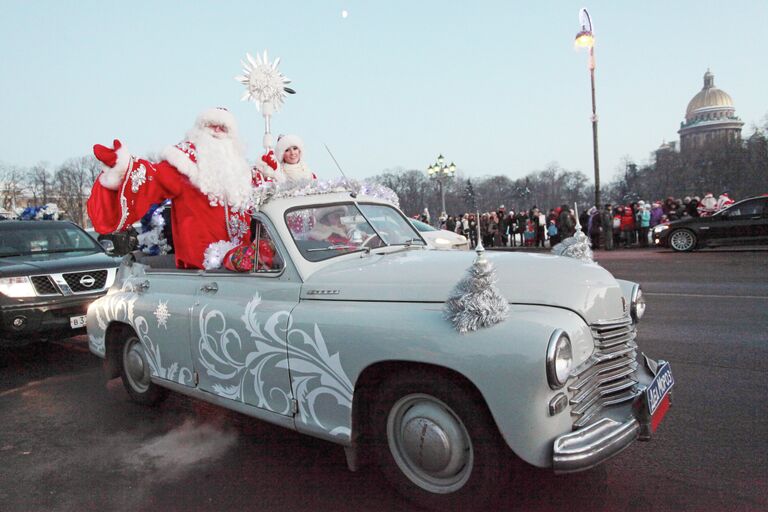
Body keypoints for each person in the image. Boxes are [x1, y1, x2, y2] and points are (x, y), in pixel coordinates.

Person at [88, 107, 258, 270]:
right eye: (212, 126)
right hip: (202, 268)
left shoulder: (240, 170)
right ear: (199, 130)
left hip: (244, 266)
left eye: (224, 128)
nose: (217, 131)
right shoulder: (184, 162)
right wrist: (123, 167)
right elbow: (153, 180)